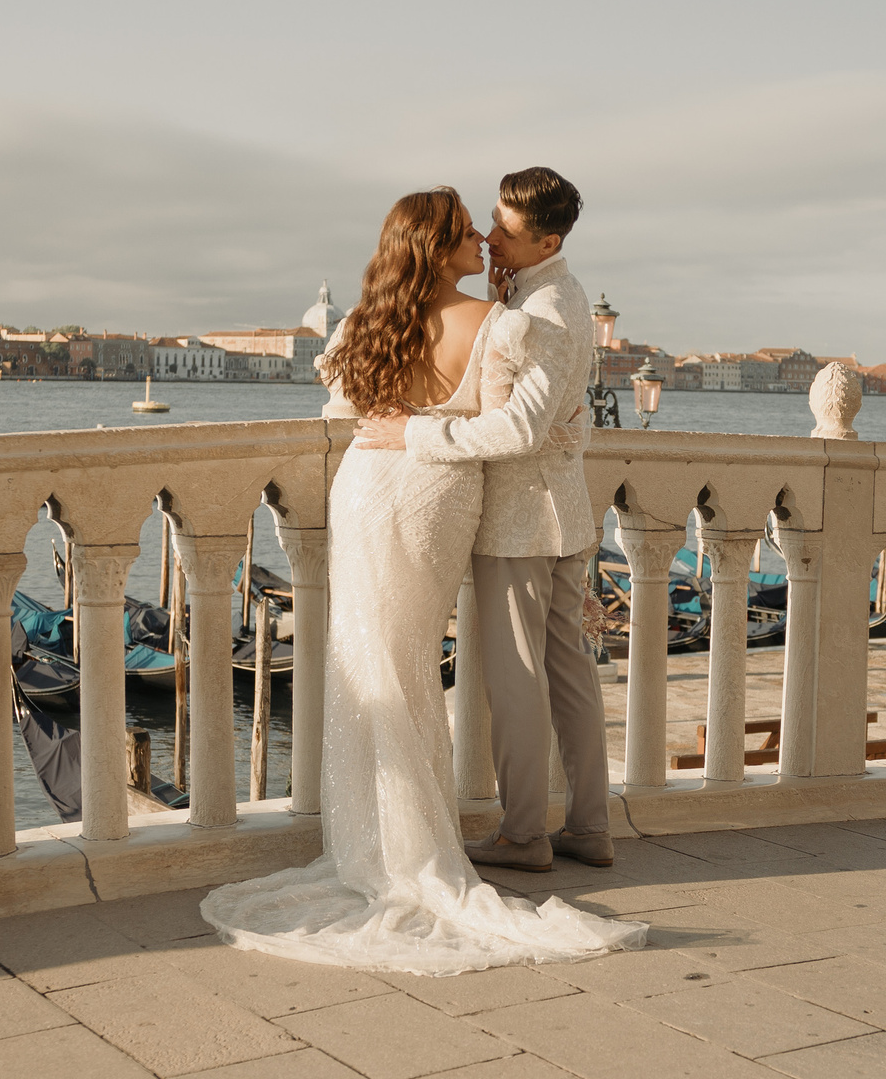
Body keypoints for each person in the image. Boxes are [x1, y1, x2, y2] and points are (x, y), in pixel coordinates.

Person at [198, 186, 643, 974]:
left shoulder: (368, 317)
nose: (483, 239)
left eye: (494, 230)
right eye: (471, 232)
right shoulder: (501, 323)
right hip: (436, 496)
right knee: (406, 661)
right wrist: (443, 428)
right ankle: (420, 841)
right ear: (440, 251)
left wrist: (401, 422)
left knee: (371, 657)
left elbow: (339, 394)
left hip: (368, 488)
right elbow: (509, 429)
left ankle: (378, 839)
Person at [365, 167, 607, 874]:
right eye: (493, 222)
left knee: (517, 681)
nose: (492, 238)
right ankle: (590, 826)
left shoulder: (550, 306)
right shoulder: (539, 292)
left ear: (548, 240)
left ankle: (525, 834)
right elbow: (560, 419)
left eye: (506, 230)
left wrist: (413, 435)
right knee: (567, 674)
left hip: (521, 521)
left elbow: (521, 429)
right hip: (556, 513)